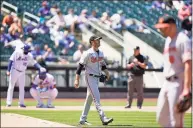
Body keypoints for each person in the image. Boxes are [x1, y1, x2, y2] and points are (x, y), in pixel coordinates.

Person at [154, 15, 192, 127]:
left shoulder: (183, 40)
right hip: (166, 83)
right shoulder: (167, 41)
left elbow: (188, 64)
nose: (161, 30)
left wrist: (186, 88)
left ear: (172, 26)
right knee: (161, 118)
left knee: (176, 121)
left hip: (178, 83)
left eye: (163, 27)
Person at [74, 35, 113, 126]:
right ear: (92, 42)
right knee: (97, 98)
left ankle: (82, 119)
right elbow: (80, 67)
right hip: (90, 77)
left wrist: (107, 73)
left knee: (89, 99)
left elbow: (103, 65)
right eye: (97, 40)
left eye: (99, 40)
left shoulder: (101, 53)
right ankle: (103, 118)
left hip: (97, 78)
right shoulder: (87, 53)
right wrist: (77, 80)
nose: (99, 41)